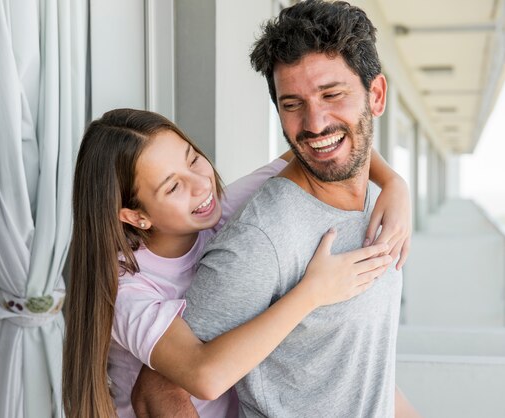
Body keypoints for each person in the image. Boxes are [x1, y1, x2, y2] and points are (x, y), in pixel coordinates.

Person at [132, 1, 419, 417]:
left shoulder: (381, 203)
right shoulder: (263, 237)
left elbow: (358, 369)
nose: (315, 122)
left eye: (332, 94)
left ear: (375, 95)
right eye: (292, 104)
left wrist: (396, 183)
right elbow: (156, 390)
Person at [62, 108, 411, 417]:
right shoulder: (126, 287)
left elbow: (315, 151)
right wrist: (313, 293)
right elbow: (204, 376)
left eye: (192, 158)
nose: (201, 184)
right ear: (135, 216)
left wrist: (394, 183)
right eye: (173, 187)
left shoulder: (216, 212)